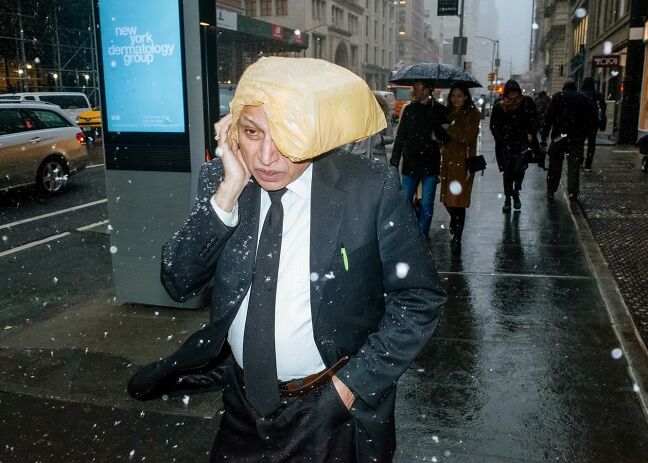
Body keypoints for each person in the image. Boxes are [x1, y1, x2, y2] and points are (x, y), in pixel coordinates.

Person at [127, 58, 446, 463]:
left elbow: (419, 298)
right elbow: (177, 280)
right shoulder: (222, 180)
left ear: (313, 133)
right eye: (252, 132)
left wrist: (348, 388)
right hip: (241, 406)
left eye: (284, 136)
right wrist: (226, 194)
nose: (265, 156)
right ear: (231, 131)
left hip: (330, 410)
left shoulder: (367, 186)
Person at [390, 79, 449, 239]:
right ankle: (407, 233)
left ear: (427, 90)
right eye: (414, 87)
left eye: (417, 87)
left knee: (427, 203)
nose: (414, 90)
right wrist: (394, 160)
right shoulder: (409, 109)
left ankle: (422, 235)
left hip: (430, 163)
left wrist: (436, 127)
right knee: (405, 201)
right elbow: (401, 135)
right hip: (411, 162)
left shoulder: (439, 110)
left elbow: (445, 136)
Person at [439, 82, 481, 252]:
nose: (456, 99)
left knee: (459, 202)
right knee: (447, 201)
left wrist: (450, 129)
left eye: (459, 96)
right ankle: (454, 222)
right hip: (448, 162)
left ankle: (458, 236)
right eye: (453, 96)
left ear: (465, 97)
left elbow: (467, 137)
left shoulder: (473, 114)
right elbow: (440, 135)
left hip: (464, 163)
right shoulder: (445, 113)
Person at [540, 79, 597, 202]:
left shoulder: (557, 97)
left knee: (555, 164)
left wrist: (544, 137)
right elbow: (591, 119)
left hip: (559, 137)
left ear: (564, 87)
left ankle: (551, 189)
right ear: (575, 87)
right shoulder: (583, 99)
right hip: (576, 137)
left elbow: (548, 118)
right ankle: (573, 192)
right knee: (573, 165)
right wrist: (585, 134)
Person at [489, 79, 539, 212]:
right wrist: (501, 140)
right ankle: (508, 198)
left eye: (516, 97)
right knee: (507, 172)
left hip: (522, 144)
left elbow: (535, 119)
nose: (513, 101)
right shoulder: (499, 107)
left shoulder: (526, 103)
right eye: (510, 97)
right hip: (505, 145)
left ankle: (516, 192)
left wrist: (531, 134)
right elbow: (494, 127)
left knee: (519, 171)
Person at [347, 93, 394, 162]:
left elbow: (391, 138)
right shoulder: (360, 120)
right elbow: (352, 139)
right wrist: (347, 153)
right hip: (360, 154)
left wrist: (381, 138)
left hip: (377, 155)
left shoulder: (385, 120)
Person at [580, 77, 607, 171]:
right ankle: (588, 163)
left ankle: (580, 160)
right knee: (592, 143)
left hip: (582, 122)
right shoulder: (597, 95)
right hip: (593, 122)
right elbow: (603, 108)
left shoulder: (580, 94)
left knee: (580, 142)